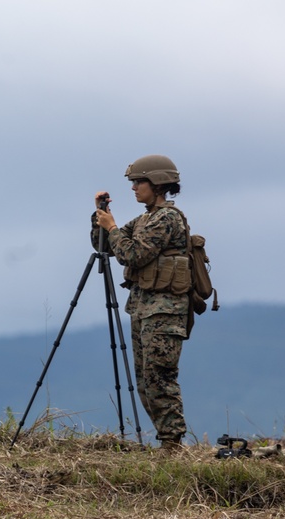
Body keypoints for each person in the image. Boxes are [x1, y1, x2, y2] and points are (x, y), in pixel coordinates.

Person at [91, 155, 190, 451]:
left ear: (158, 183)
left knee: (159, 376)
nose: (134, 188)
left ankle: (172, 444)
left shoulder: (167, 218)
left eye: (139, 182)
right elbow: (105, 247)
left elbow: (133, 255)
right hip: (144, 308)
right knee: (145, 379)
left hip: (165, 311)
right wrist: (101, 217)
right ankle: (167, 442)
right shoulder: (146, 218)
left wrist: (112, 228)